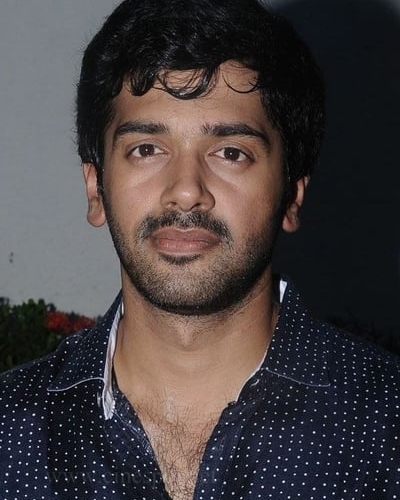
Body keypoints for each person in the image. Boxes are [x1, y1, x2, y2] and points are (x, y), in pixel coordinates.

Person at [1, 0, 399, 498]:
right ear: (95, 188)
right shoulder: (11, 434)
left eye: (230, 153)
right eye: (147, 149)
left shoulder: (386, 425)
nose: (186, 190)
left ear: (292, 195)